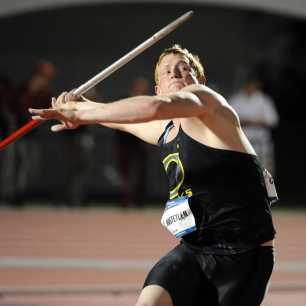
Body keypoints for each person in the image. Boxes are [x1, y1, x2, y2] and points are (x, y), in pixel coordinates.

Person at [29, 44, 277, 306]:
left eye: (185, 68)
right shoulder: (166, 129)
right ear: (158, 87)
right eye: (167, 71)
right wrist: (82, 107)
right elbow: (126, 119)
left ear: (200, 81)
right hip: (194, 250)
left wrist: (82, 113)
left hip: (245, 258)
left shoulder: (209, 103)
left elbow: (155, 108)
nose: (177, 74)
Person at [228, 77, 279, 175]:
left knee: (265, 173)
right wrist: (247, 121)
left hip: (261, 144)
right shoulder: (236, 99)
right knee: (243, 172)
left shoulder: (264, 100)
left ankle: (265, 190)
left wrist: (251, 121)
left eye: (253, 84)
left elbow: (273, 120)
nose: (250, 87)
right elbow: (228, 119)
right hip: (242, 145)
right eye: (248, 84)